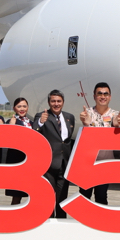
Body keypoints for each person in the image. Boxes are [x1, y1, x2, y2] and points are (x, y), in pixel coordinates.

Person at [78, 82, 120, 205]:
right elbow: (83, 136)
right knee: (84, 195)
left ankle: (101, 223)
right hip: (88, 163)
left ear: (110, 97)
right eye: (99, 94)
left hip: (105, 163)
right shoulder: (87, 113)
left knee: (101, 196)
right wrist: (86, 123)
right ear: (94, 96)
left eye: (105, 94)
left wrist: (117, 124)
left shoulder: (114, 114)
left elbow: (117, 126)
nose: (102, 96)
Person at [34, 89, 76, 218]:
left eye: (59, 101)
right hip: (49, 164)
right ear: (49, 102)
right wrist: (41, 121)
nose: (56, 104)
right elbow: (34, 129)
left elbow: (67, 141)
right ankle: (49, 221)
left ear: (63, 102)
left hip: (65, 164)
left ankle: (61, 221)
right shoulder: (42, 116)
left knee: (62, 197)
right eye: (53, 101)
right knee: (49, 196)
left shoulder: (69, 117)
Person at [5, 96, 34, 206]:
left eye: (24, 106)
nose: (22, 109)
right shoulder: (11, 121)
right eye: (19, 106)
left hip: (30, 162)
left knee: (28, 194)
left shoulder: (32, 122)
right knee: (16, 195)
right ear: (14, 108)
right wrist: (11, 125)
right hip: (17, 161)